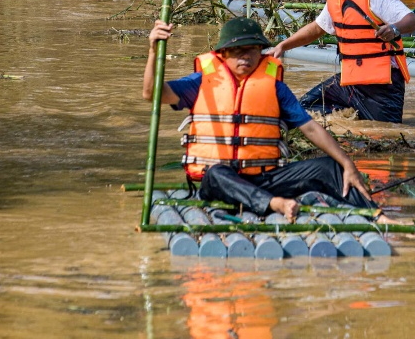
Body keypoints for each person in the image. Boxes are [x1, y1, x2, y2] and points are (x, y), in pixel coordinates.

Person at [144, 16, 375, 221]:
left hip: (265, 178)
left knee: (329, 167)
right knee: (215, 173)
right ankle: (274, 203)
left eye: (252, 49)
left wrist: (346, 163)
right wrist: (154, 51)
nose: (245, 56)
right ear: (223, 54)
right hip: (223, 182)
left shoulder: (275, 87)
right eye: (237, 50)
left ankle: (377, 215)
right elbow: (151, 93)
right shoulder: (200, 82)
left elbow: (311, 128)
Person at [269, 0, 415, 123]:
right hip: (348, 83)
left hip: (381, 86)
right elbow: (318, 28)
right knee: (303, 111)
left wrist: (395, 28)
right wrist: (283, 46)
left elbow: (412, 20)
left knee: (384, 134)